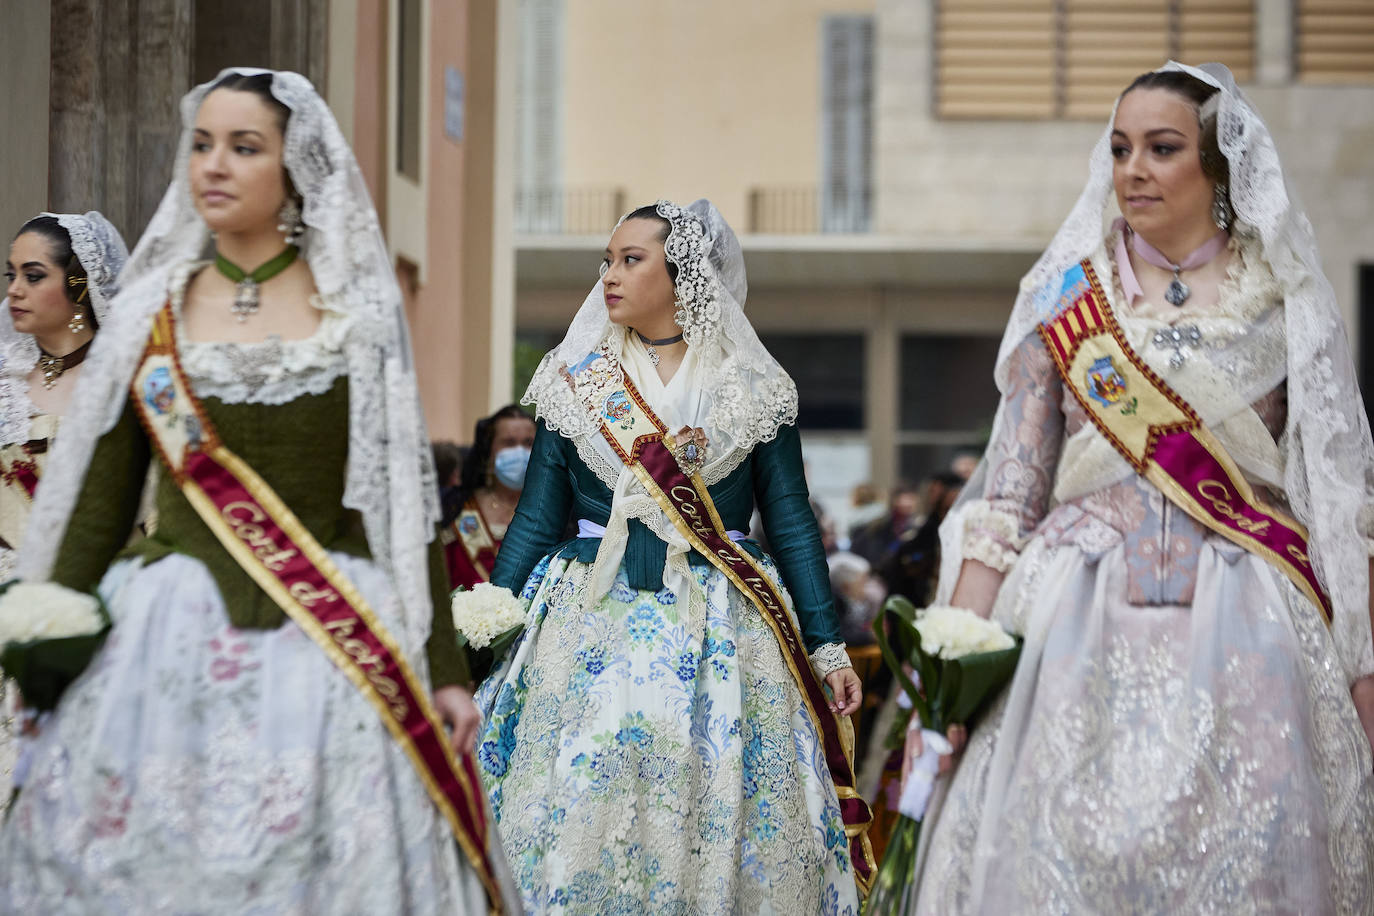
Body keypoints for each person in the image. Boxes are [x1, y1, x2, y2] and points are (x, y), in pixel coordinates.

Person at [0, 68, 516, 913]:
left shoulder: (353, 311)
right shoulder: (150, 317)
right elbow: (99, 505)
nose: (215, 164)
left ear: (294, 167)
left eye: (245, 147)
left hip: (330, 642)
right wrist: (45, 636)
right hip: (165, 641)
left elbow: (398, 506)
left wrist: (443, 671)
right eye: (202, 144)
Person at [901, 62, 1374, 913]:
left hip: (1252, 621)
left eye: (1162, 148)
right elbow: (1009, 496)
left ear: (1218, 166)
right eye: (1121, 149)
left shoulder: (1288, 302)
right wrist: (951, 668)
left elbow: (1339, 505)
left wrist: (1366, 671)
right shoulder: (1067, 300)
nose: (1134, 169)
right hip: (1069, 622)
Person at [474, 200, 874, 913]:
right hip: (586, 617)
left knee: (715, 791)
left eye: (632, 260)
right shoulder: (576, 380)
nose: (610, 276)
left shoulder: (753, 389)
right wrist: (485, 629)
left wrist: (826, 643)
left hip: (720, 617)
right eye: (606, 260)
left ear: (683, 271)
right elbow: (536, 520)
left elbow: (788, 520)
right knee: (578, 792)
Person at [0, 211, 128, 811]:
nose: (14, 291)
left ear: (78, 285)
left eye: (32, 275)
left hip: (87, 614)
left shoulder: (124, 390)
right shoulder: (3, 384)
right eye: (10, 275)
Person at [441, 404, 536, 589]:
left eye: (528, 443)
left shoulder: (555, 512)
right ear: (489, 450)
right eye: (509, 443)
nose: (519, 451)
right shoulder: (456, 507)